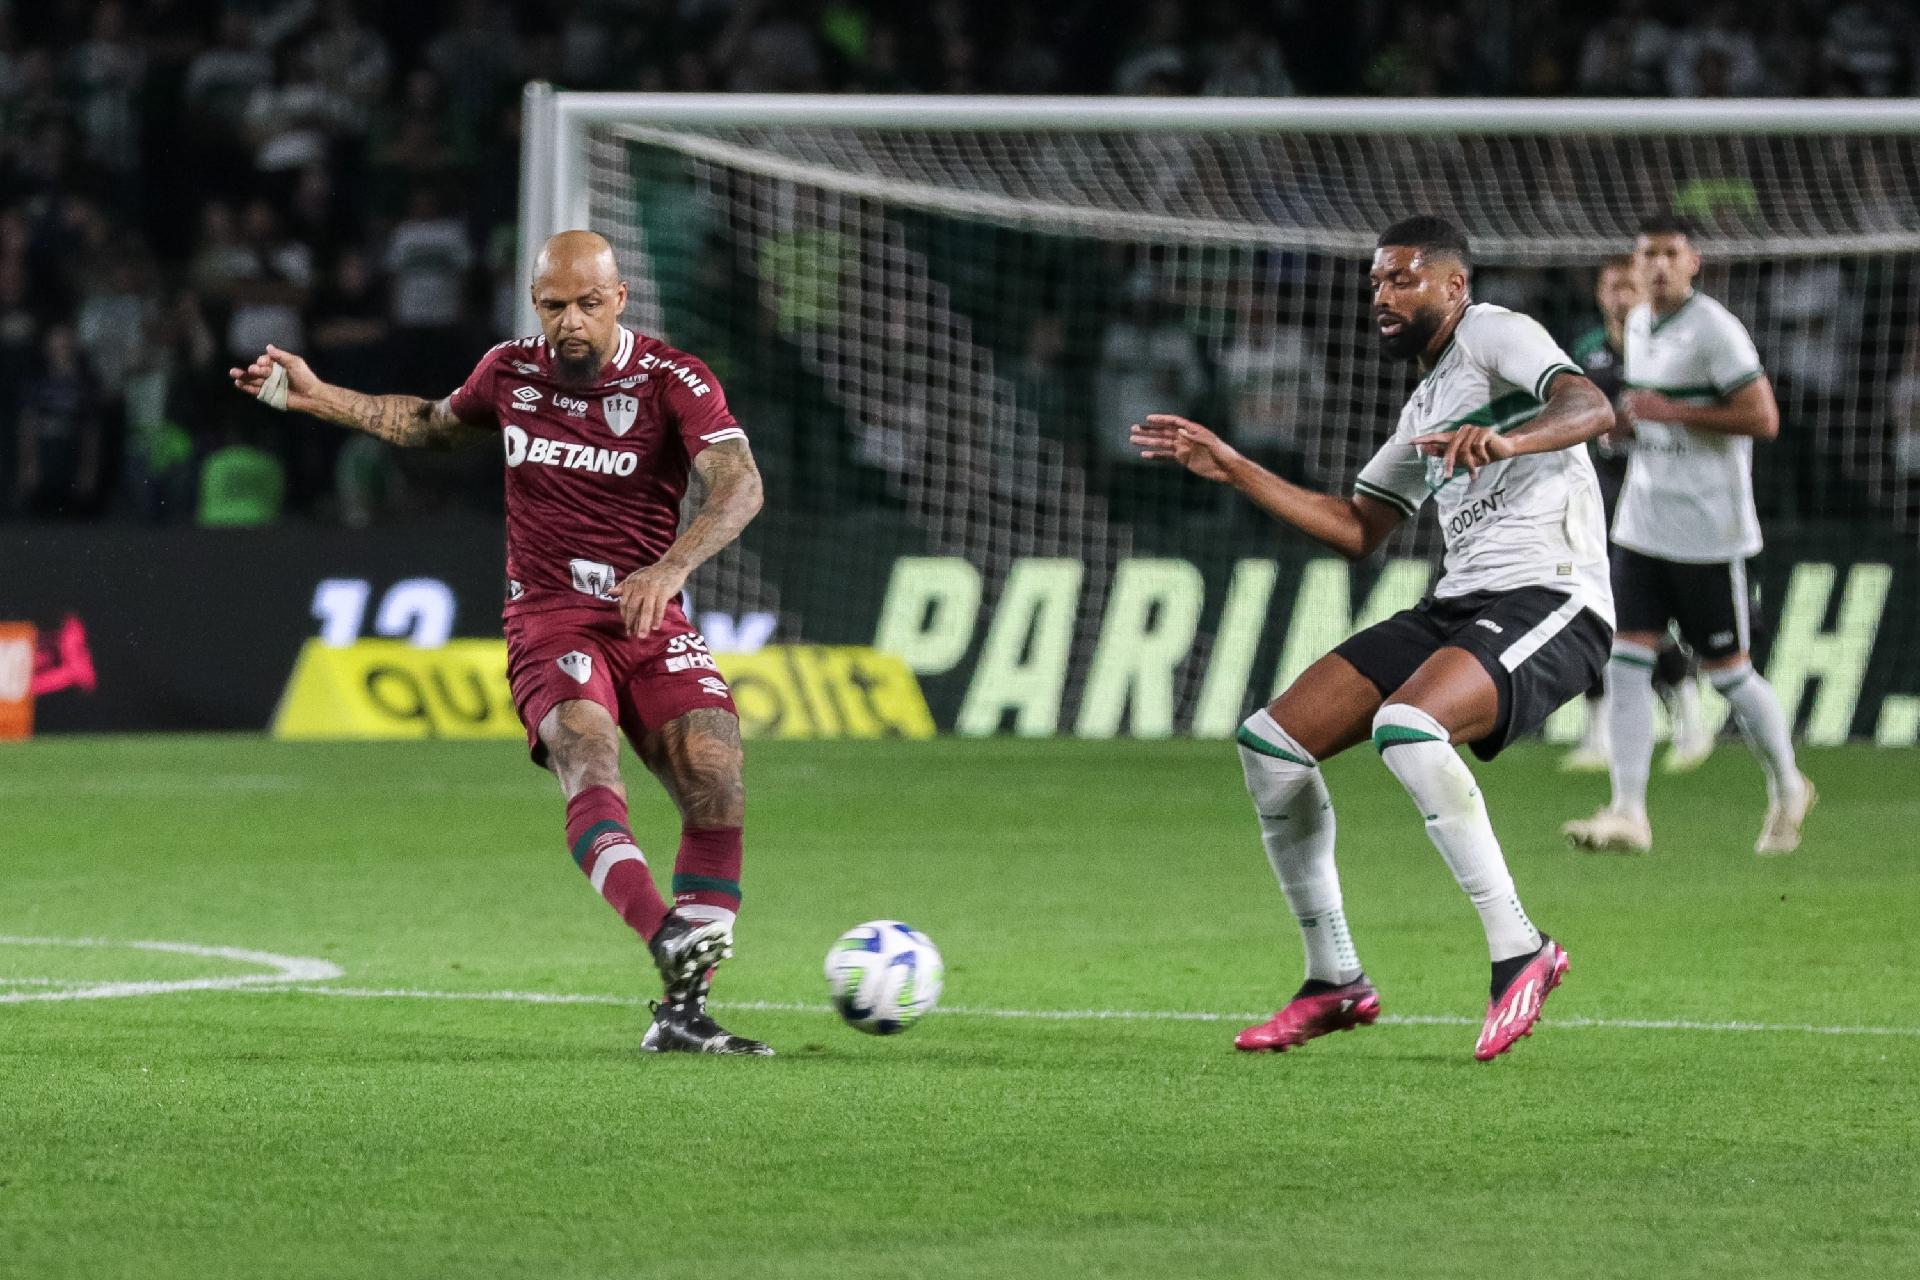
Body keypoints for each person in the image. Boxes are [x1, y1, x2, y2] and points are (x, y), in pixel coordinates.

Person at [230, 230, 773, 1054]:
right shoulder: (509, 372)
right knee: (586, 747)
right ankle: (665, 935)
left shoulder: (673, 380)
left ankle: (683, 1014)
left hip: (645, 611)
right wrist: (316, 397)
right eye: (554, 306)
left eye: (589, 304)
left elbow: (739, 485)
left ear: (620, 299)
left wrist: (670, 567)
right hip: (549, 616)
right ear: (535, 306)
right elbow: (428, 425)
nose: (571, 324)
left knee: (715, 772)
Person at [1130, 216, 1615, 1062]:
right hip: (1460, 602)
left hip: (1555, 593)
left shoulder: (1496, 333)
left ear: (1453, 287)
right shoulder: (1424, 406)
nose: (1382, 298)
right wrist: (1235, 466)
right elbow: (1359, 527)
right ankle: (1335, 980)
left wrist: (1507, 438)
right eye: (1376, 284)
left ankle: (1520, 950)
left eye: (1402, 280)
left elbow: (1590, 405)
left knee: (1408, 728)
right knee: (1271, 745)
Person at [1563, 216, 1814, 858]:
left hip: (1707, 532)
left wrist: (1674, 412)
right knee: (1624, 664)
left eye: (1671, 254)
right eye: (1648, 255)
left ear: (1694, 261)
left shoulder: (1716, 331)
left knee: (1730, 676)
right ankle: (1627, 812)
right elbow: (1650, 415)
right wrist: (1626, 429)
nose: (1659, 267)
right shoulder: (1641, 324)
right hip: (1643, 526)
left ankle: (1788, 786)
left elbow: (1763, 417)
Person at [1560, 255, 1711, 774]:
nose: (1620, 295)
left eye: (1629, 285)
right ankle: (1598, 735)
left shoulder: (1671, 348)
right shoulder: (1584, 352)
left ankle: (1691, 719)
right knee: (1596, 607)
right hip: (1600, 497)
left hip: (1661, 493)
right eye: (1611, 286)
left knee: (1653, 615)